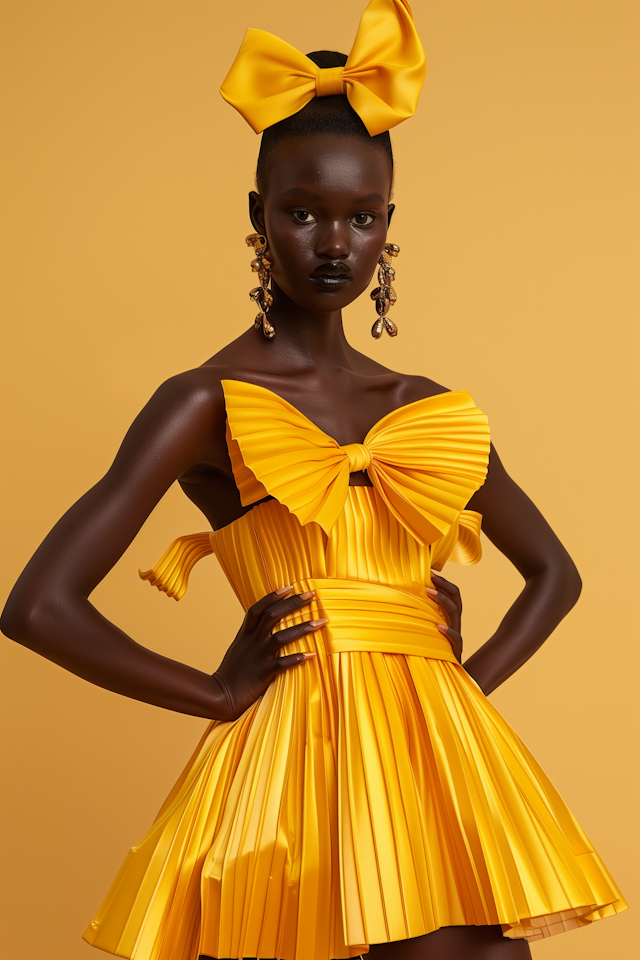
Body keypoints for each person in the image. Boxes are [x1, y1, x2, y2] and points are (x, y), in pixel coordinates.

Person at [0, 2, 627, 959]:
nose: (334, 244)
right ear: (257, 219)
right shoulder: (205, 400)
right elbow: (38, 605)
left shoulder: (427, 405)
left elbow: (557, 574)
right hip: (294, 760)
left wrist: (460, 680)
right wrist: (213, 694)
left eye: (361, 217)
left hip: (434, 755)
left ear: (388, 228)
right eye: (303, 213)